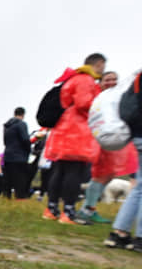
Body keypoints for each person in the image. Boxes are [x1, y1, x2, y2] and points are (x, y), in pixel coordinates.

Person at [43, 53, 105, 224]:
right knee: (74, 172)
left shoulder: (73, 78)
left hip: (63, 130)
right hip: (76, 132)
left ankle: (51, 208)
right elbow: (84, 103)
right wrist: (100, 106)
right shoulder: (86, 80)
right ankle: (68, 212)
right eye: (102, 66)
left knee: (60, 171)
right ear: (98, 64)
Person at [77, 71, 131, 224]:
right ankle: (86, 209)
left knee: (108, 175)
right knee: (100, 175)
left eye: (115, 79)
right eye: (107, 79)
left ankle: (90, 208)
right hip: (98, 141)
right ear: (100, 82)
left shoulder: (117, 97)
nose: (112, 82)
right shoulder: (97, 98)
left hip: (112, 141)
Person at [104, 72, 142, 251]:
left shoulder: (138, 77)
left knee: (138, 188)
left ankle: (120, 233)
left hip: (137, 136)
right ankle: (140, 238)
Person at [2, 107, 31, 198]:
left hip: (8, 155)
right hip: (19, 157)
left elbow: (5, 141)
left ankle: (6, 198)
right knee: (20, 179)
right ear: (23, 114)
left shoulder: (7, 125)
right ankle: (20, 198)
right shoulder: (21, 124)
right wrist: (29, 149)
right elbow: (25, 139)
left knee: (8, 180)